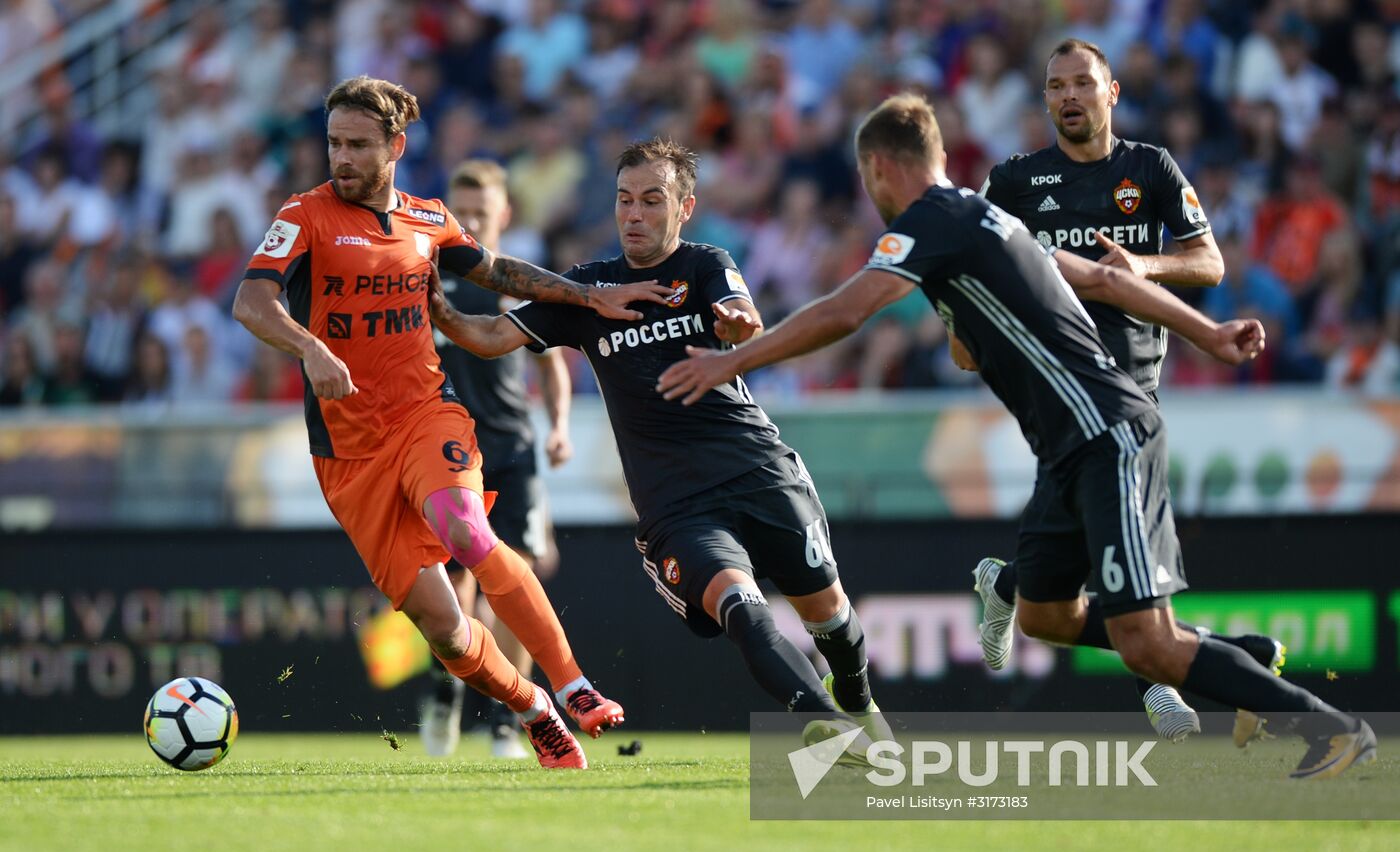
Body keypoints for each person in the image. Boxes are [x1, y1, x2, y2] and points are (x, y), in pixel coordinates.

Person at [658, 94, 1375, 780]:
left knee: (1147, 641)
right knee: (1046, 614)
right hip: (1069, 450)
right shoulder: (984, 220)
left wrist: (734, 361)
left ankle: (1328, 728)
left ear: (880, 167)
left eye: (867, 177)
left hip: (1105, 431)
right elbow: (1103, 279)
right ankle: (1232, 656)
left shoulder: (932, 220)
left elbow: (849, 312)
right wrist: (1209, 331)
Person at [232, 76, 674, 769]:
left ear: (396, 147)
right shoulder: (305, 216)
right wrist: (311, 347)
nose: (340, 158)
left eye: (357, 145)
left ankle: (575, 683)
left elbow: (496, 270)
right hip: (347, 455)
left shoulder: (428, 219)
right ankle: (531, 706)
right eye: (333, 144)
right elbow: (251, 303)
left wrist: (587, 295)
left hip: (423, 417)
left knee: (467, 530)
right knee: (442, 626)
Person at [426, 138, 887, 755]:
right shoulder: (589, 289)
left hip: (758, 470)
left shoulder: (703, 265)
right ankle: (833, 732)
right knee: (743, 612)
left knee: (829, 615)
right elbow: (488, 336)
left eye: (651, 200)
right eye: (624, 200)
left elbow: (738, 307)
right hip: (679, 505)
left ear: (684, 207)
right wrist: (442, 313)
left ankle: (857, 698)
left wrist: (739, 325)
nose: (634, 214)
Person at [975, 38, 1280, 741]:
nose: (1069, 96)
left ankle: (1007, 585)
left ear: (1112, 93)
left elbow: (1208, 261)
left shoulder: (1151, 169)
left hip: (1137, 385)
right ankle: (1174, 681)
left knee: (1053, 603)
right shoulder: (1016, 182)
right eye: (1056, 87)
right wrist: (968, 335)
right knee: (1119, 542)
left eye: (1084, 83)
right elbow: (965, 261)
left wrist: (1139, 265)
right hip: (1059, 391)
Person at [418, 158, 574, 760]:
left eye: (483, 211)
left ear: (504, 213)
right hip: (445, 453)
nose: (474, 221)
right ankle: (443, 686)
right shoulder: (423, 274)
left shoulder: (516, 281)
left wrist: (559, 426)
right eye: (464, 213)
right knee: (455, 587)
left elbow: (550, 361)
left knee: (517, 581)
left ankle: (511, 720)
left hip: (511, 450)